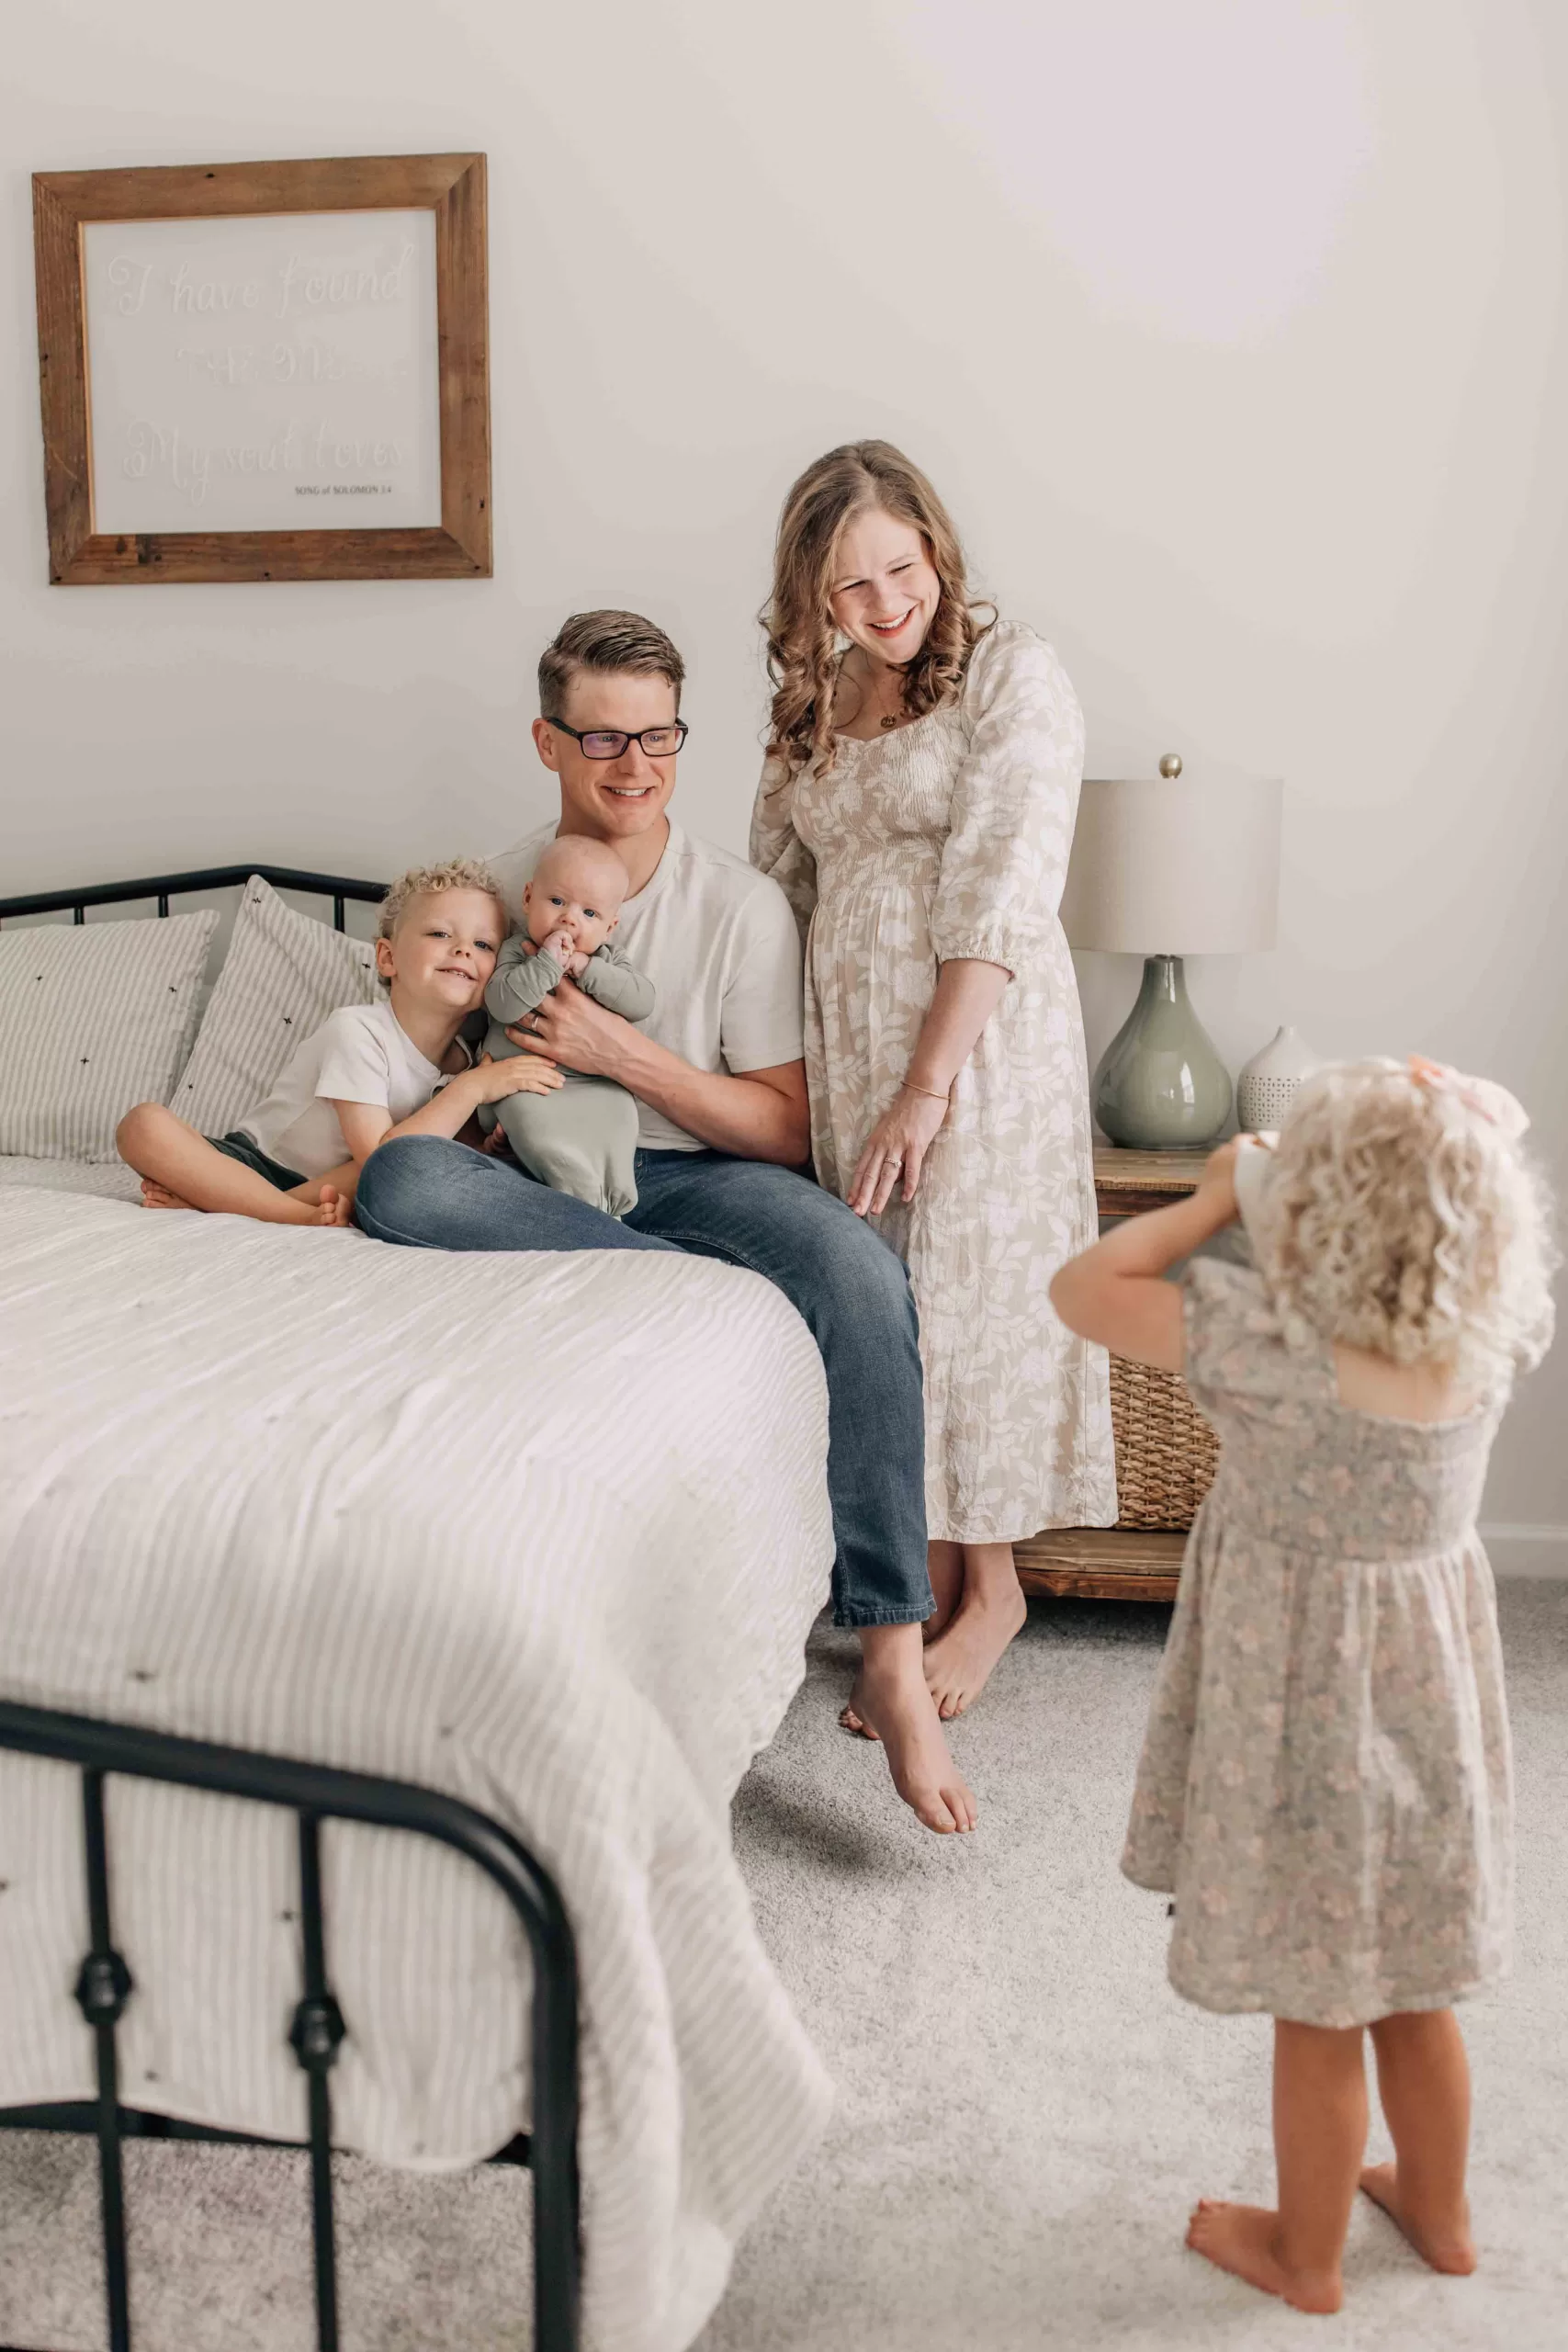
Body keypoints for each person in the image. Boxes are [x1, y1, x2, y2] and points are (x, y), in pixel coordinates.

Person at [353, 610, 976, 1836]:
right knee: (396, 1184)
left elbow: (783, 1130)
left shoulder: (737, 907)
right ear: (546, 740)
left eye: (658, 737)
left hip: (700, 1176)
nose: (633, 767)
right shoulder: (506, 880)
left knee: (856, 1272)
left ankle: (892, 1648)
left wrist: (622, 1056)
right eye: (601, 739)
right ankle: (685, 1281)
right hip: (540, 1186)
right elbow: (460, 1062)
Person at [1049, 1057, 1556, 2315]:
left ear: (1309, 1222)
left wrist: (1217, 1194)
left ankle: (1304, 2256)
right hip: (1426, 1705)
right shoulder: (1494, 1330)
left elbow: (1082, 1286)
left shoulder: (1265, 1349)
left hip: (1305, 1713)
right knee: (1412, 1989)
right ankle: (1436, 2217)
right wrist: (1449, 1116)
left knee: (1317, 2003)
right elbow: (1480, 1146)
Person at [751, 440, 1115, 1728]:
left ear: (935, 548)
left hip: (972, 1032)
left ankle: (992, 1590)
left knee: (966, 1297)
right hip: (847, 1033)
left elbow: (1006, 881)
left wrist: (927, 1082)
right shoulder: (812, 702)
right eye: (848, 588)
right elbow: (772, 888)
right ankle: (918, 1579)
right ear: (811, 597)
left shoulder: (1010, 672)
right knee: (888, 1301)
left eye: (899, 568)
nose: (882, 604)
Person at [117, 863, 562, 1226]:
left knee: (416, 1150)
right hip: (251, 1163)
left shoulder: (468, 1061)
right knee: (142, 1125)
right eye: (440, 934)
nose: (464, 949)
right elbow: (385, 1159)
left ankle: (230, 1203)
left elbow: (424, 1152)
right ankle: (281, 1212)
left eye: (483, 943)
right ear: (387, 958)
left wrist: (489, 1145)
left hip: (342, 1181)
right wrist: (474, 1090)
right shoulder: (358, 1031)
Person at [478, 834, 656, 1216]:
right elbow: (503, 1004)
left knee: (622, 1118)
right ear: (528, 899)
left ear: (610, 927)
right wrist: (545, 965)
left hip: (596, 1084)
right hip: (528, 1083)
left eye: (590, 914)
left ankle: (615, 1202)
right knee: (538, 1131)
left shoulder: (608, 959)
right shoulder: (517, 950)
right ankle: (583, 1207)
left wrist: (588, 969)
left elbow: (641, 1001)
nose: (570, 918)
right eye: (557, 901)